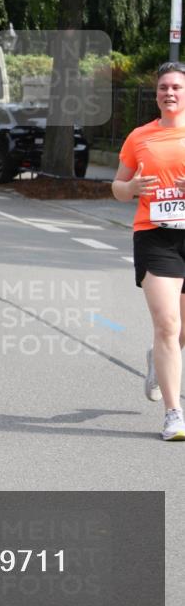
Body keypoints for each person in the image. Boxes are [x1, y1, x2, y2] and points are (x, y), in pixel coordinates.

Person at [112, 61, 185, 441]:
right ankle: (174, 413)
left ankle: (157, 362)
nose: (169, 93)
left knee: (182, 331)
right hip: (155, 236)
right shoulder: (140, 137)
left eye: (176, 87)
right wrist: (133, 187)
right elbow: (118, 187)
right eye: (163, 88)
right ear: (156, 94)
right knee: (167, 324)